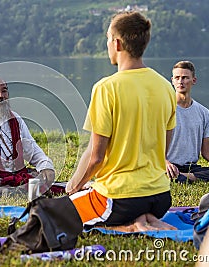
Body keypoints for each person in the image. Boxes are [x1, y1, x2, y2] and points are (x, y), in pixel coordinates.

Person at [65, 11, 177, 231]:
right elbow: (164, 149)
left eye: (108, 38)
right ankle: (144, 218)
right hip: (160, 197)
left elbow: (95, 157)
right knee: (132, 206)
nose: (107, 44)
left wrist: (74, 186)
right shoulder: (166, 87)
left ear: (116, 43)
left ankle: (129, 226)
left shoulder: (106, 88)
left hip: (119, 200)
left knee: (55, 212)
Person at [166, 60, 209, 183]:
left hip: (191, 167)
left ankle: (185, 177)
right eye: (177, 78)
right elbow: (152, 146)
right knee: (163, 174)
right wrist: (165, 162)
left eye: (185, 78)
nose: (180, 81)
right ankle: (185, 177)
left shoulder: (203, 112)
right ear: (172, 80)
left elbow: (206, 151)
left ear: (193, 80)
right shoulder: (165, 109)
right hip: (168, 166)